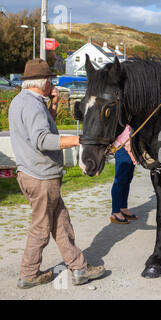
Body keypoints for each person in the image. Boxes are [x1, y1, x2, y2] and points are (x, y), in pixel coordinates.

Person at [8, 58, 105, 289]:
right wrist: (77, 140)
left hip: (33, 174)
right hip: (41, 177)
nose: (53, 83)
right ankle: (28, 274)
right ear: (42, 82)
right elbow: (42, 139)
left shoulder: (21, 102)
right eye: (51, 79)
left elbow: (40, 128)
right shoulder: (32, 105)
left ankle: (79, 268)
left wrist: (52, 105)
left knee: (61, 224)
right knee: (41, 227)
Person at [110, 124, 139, 224]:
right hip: (122, 147)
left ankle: (123, 207)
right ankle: (115, 211)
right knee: (120, 180)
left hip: (131, 147)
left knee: (127, 180)